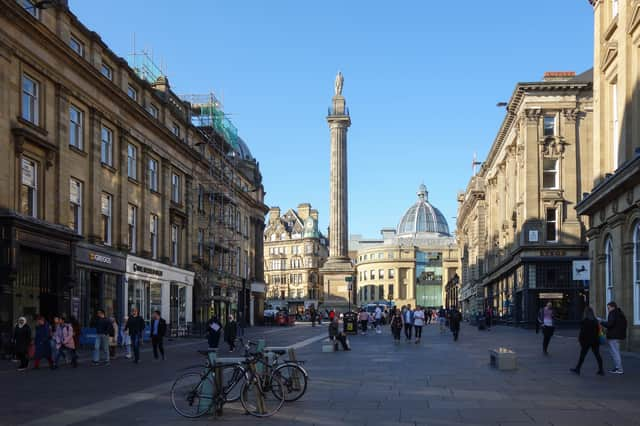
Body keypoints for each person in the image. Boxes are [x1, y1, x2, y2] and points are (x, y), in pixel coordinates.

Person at [570, 306, 604, 376]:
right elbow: (598, 331)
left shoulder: (584, 321)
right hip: (595, 341)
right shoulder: (595, 321)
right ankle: (601, 370)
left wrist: (580, 340)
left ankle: (578, 369)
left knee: (582, 355)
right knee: (597, 355)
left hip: (586, 341)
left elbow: (582, 332)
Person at [600, 301, 627, 374]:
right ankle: (617, 368)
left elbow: (610, 324)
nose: (608, 309)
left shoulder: (612, 313)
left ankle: (619, 369)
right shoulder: (620, 313)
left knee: (615, 352)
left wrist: (601, 322)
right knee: (615, 352)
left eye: (608, 308)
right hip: (618, 336)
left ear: (612, 307)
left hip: (613, 336)